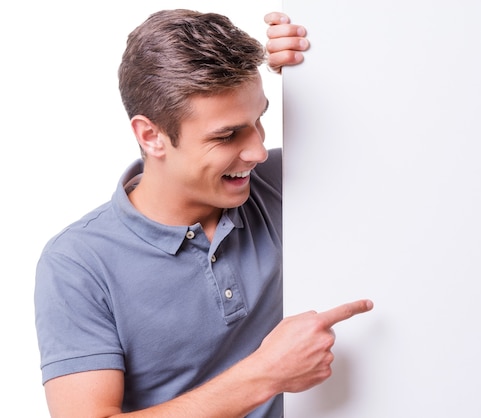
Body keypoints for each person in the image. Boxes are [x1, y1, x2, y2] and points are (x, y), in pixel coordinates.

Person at [34, 8, 373, 418]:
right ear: (151, 136)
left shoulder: (286, 184)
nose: (258, 151)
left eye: (258, 119)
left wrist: (324, 62)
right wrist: (265, 375)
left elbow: (410, 148)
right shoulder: (77, 264)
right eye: (227, 135)